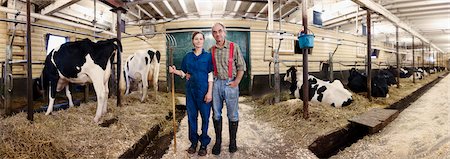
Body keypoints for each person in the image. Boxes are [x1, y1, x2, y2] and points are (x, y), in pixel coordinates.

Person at [169, 31, 213, 156]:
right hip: (191, 92)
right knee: (192, 118)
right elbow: (184, 73)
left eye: (200, 39)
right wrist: (175, 71)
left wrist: (209, 92)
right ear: (193, 41)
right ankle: (193, 142)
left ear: (203, 41)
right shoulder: (187, 56)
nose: (198, 41)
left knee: (205, 118)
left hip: (204, 91)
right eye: (196, 39)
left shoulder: (208, 57)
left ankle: (204, 143)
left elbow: (211, 75)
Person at [209, 23, 246, 155]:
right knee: (216, 114)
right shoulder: (211, 50)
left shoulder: (233, 46)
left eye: (220, 31)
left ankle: (233, 141)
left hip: (231, 84)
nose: (217, 34)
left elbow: (241, 66)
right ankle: (218, 142)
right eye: (214, 32)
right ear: (213, 34)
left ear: (224, 32)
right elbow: (208, 70)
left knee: (232, 114)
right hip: (216, 83)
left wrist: (236, 81)